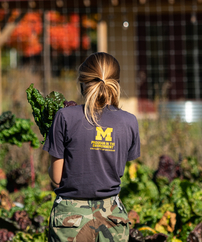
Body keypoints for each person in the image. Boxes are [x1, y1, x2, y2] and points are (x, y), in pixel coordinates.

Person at [44, 52, 141, 242]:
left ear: (83, 82)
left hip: (70, 219)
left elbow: (57, 178)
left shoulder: (64, 117)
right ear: (116, 83)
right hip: (112, 218)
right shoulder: (130, 122)